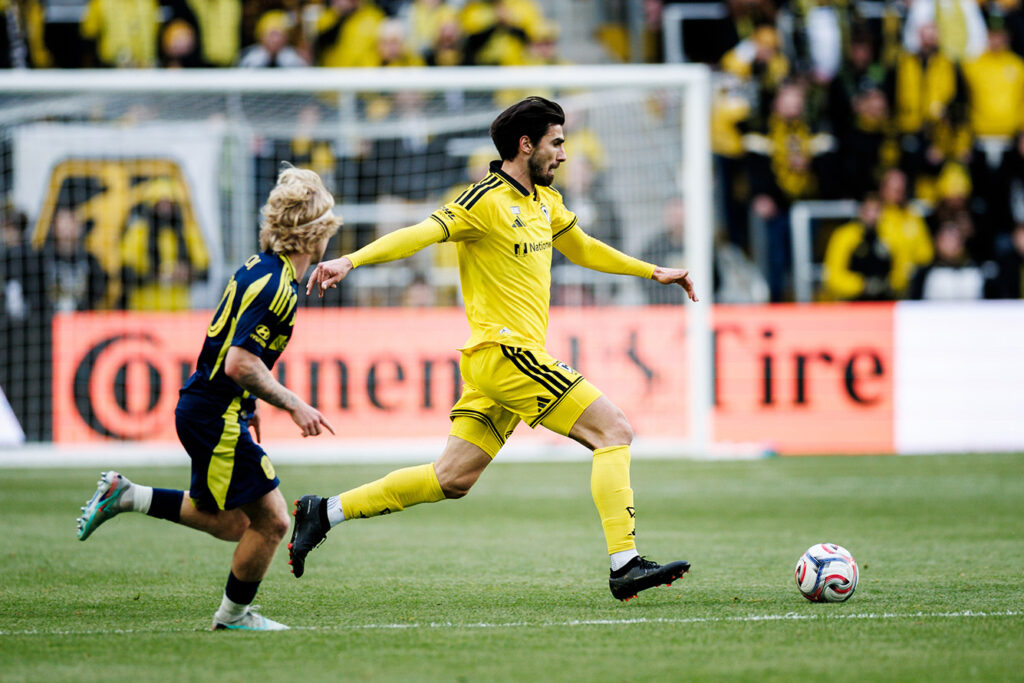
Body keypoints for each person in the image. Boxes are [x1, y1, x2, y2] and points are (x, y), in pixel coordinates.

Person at [291, 97, 698, 602]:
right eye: (557, 143)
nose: (564, 155)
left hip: (500, 367)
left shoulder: (546, 203)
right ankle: (626, 563)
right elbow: (420, 234)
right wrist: (351, 260)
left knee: (451, 478)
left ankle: (322, 511)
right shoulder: (483, 200)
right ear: (526, 145)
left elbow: (585, 248)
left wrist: (651, 270)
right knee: (614, 430)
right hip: (506, 355)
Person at [75, 166, 340, 631]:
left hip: (211, 408)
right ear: (316, 233)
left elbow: (231, 353)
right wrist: (293, 403)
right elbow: (239, 362)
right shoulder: (277, 286)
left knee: (230, 523)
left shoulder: (260, 268)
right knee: (274, 522)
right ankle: (233, 617)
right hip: (213, 414)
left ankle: (126, 495)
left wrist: (251, 405)